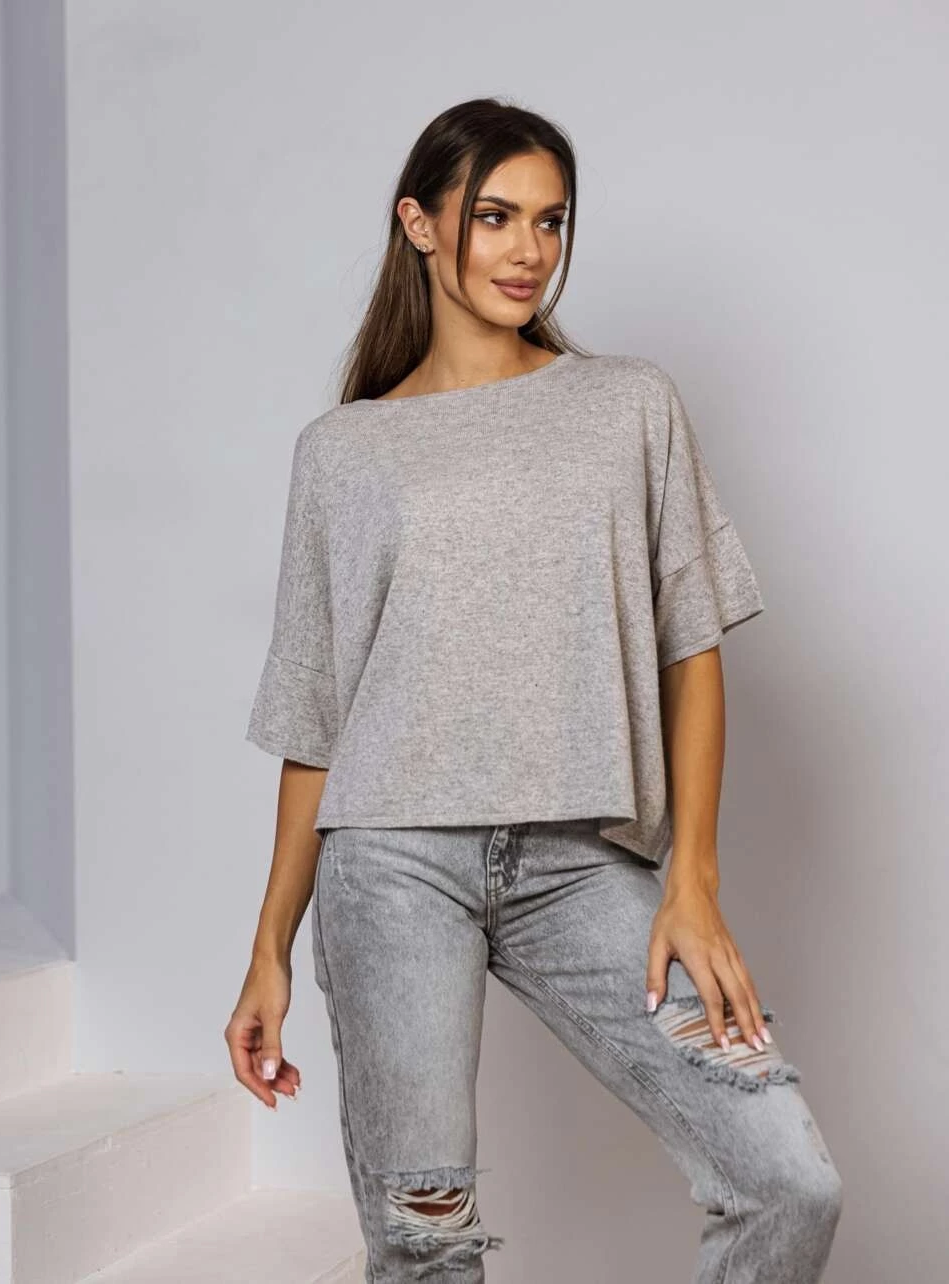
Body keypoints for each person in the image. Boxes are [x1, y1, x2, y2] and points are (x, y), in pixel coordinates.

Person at [224, 96, 843, 1283]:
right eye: (495, 217)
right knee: (427, 1243)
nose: (528, 251)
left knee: (786, 1180)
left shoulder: (626, 403)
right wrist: (268, 951)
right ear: (419, 224)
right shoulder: (343, 450)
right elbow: (316, 721)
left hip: (576, 861)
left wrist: (693, 882)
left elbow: (692, 647)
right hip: (389, 867)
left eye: (550, 222)